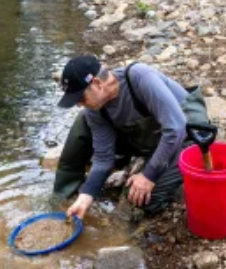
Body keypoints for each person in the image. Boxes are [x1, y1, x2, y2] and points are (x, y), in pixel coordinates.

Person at [52, 54, 211, 220]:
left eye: (81, 98)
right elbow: (103, 158)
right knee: (83, 119)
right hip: (153, 138)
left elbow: (176, 128)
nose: (79, 104)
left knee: (141, 200)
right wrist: (85, 197)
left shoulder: (140, 77)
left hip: (189, 137)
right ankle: (65, 193)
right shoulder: (95, 108)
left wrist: (149, 175)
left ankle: (163, 175)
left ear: (97, 84)